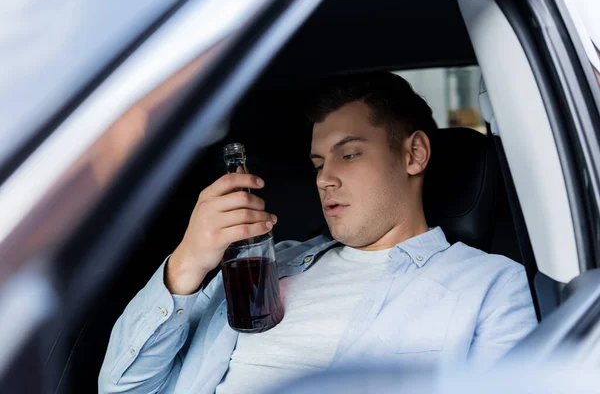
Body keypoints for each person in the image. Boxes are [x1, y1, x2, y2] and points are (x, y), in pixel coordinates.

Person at [98, 72, 538, 394]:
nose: (324, 178)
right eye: (317, 164)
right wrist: (187, 264)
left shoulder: (491, 285)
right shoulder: (266, 264)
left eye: (348, 154)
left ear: (414, 154)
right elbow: (124, 387)